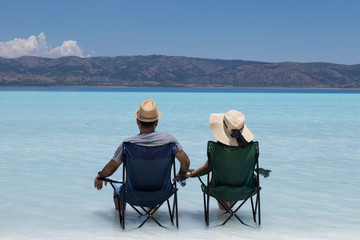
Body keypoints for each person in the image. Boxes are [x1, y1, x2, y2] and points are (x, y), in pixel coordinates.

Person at [94, 99, 190, 210]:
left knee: (117, 186)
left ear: (137, 121)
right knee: (154, 181)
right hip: (162, 193)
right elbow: (186, 162)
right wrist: (182, 173)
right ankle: (152, 216)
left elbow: (110, 169)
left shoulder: (127, 144)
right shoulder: (170, 141)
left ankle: (119, 221)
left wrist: (100, 176)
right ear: (157, 122)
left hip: (133, 194)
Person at [187, 110, 254, 210]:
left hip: (221, 189)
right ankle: (229, 217)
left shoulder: (218, 149)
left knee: (223, 183)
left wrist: (190, 174)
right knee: (232, 178)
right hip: (245, 187)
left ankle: (224, 214)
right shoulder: (250, 148)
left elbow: (207, 168)